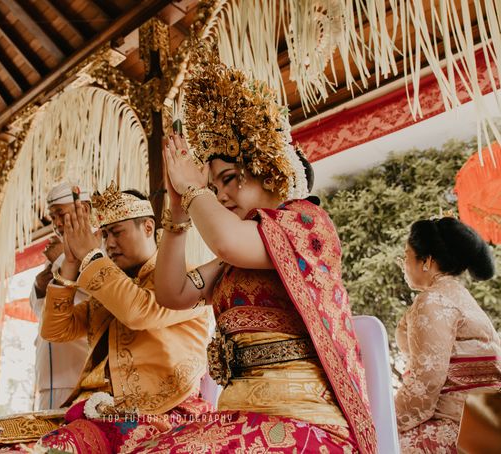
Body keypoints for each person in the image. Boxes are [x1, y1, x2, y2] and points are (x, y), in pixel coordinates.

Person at [146, 44, 377, 453]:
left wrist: (194, 187)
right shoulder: (235, 259)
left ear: (267, 170)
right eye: (214, 188)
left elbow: (227, 239)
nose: (220, 196)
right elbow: (171, 293)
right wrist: (178, 212)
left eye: (230, 179)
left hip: (305, 420)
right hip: (239, 420)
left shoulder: (304, 223)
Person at [37, 183, 212, 453]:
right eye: (105, 235)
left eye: (117, 232)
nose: (109, 244)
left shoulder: (185, 282)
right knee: (12, 439)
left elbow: (138, 312)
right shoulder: (111, 287)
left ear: (148, 228)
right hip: (100, 410)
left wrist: (91, 256)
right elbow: (56, 330)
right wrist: (70, 264)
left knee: (55, 449)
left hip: (165, 413)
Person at [395, 217, 501, 453]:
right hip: (486, 427)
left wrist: (380, 420)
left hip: (459, 429)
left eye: (406, 255)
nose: (403, 263)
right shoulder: (459, 297)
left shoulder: (434, 300)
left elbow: (425, 385)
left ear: (427, 261)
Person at [29, 182, 90, 410]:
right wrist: (38, 286)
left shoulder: (102, 246)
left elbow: (103, 289)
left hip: (80, 368)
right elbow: (40, 312)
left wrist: (59, 261)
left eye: (60, 214)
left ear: (83, 208)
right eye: (52, 217)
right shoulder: (56, 251)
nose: (55, 224)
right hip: (48, 371)